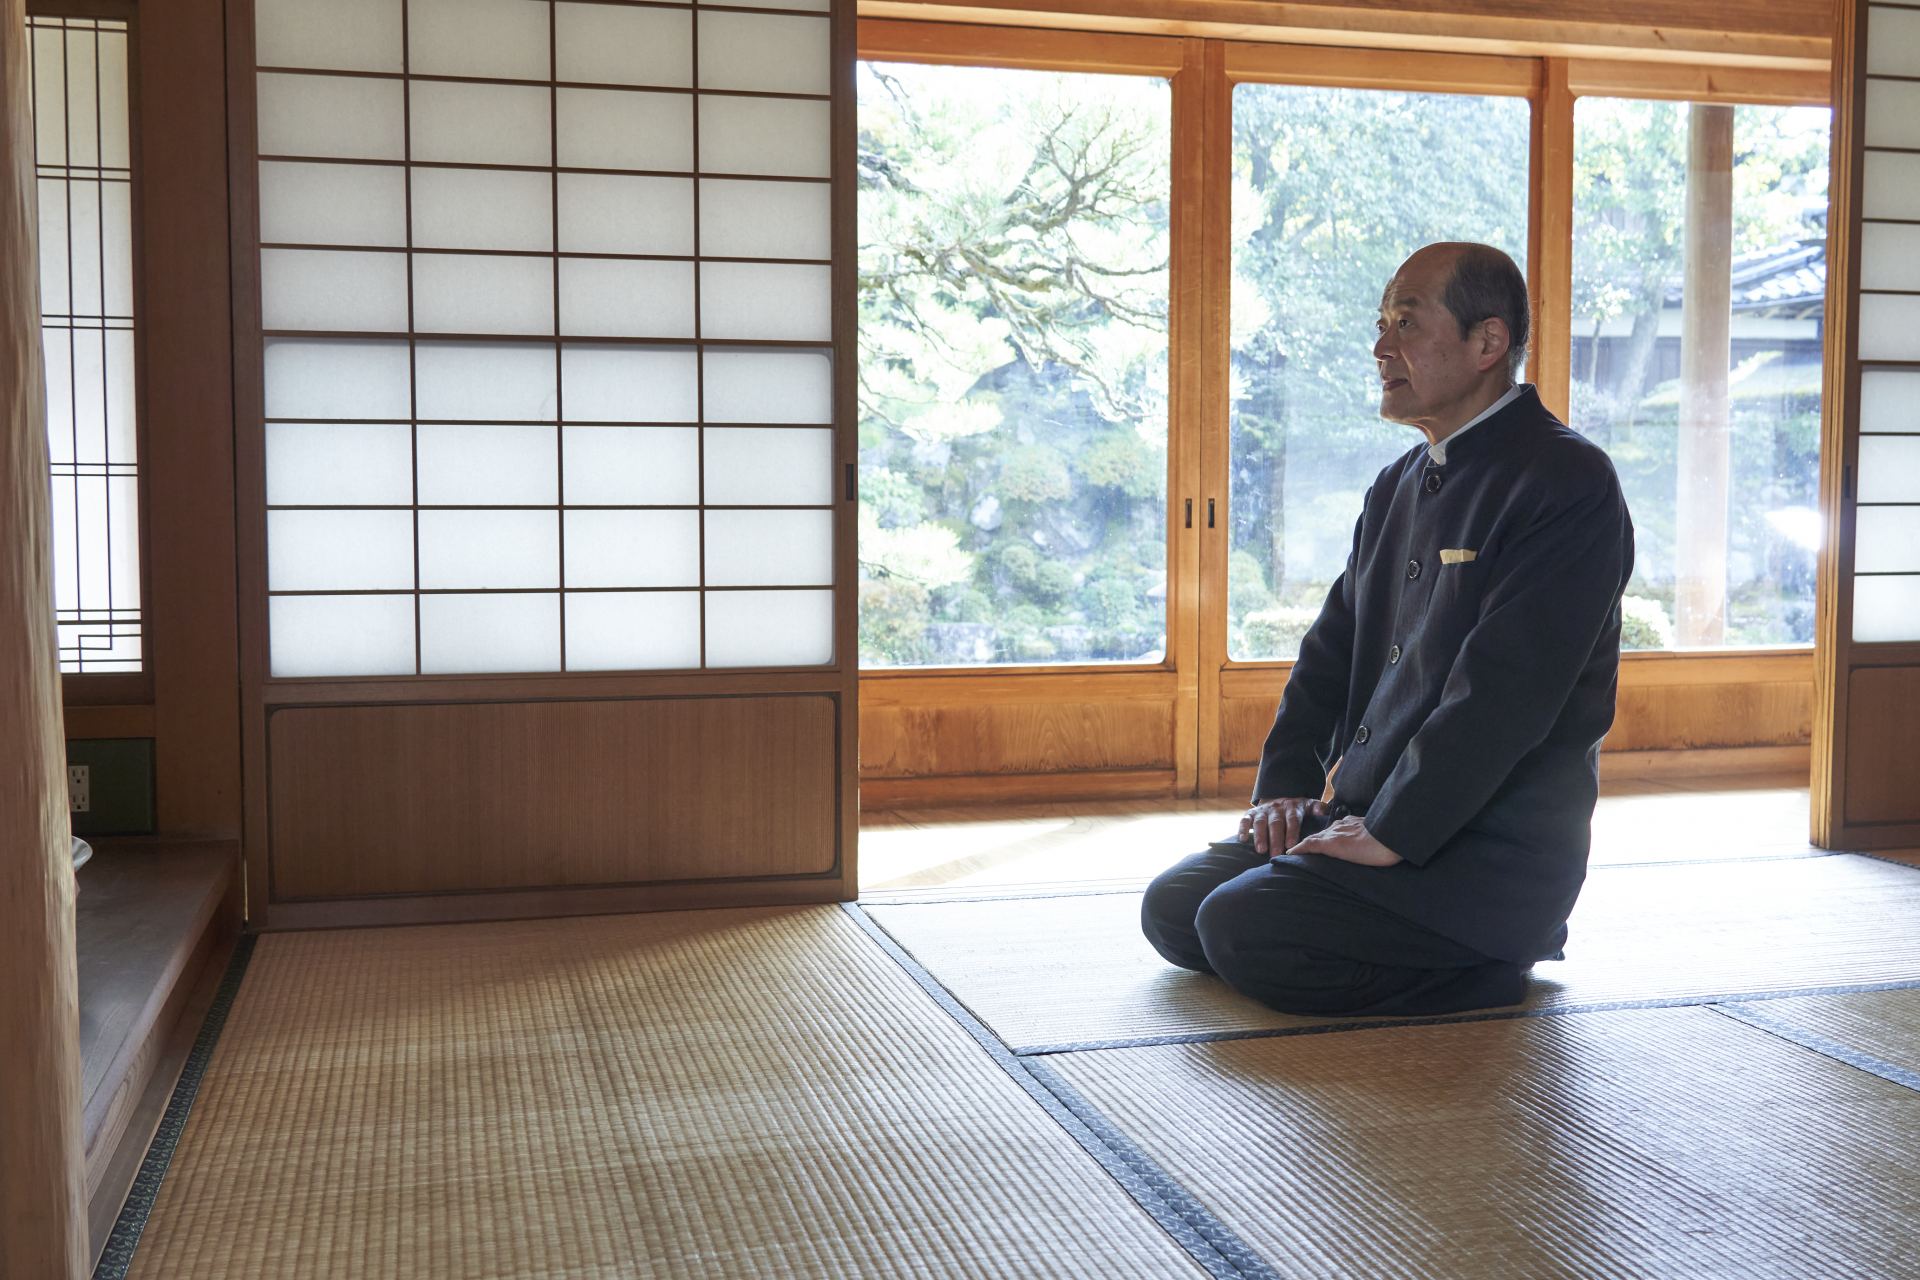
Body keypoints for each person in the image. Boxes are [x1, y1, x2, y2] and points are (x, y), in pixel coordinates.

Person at [1141, 242, 1634, 1018]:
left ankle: (1491, 968)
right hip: (1363, 820)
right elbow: (1329, 653)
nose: (1380, 347)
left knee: (1242, 927)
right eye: (1380, 323)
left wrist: (1395, 832)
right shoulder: (1398, 483)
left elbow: (1505, 692)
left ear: (1488, 342)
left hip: (1482, 852)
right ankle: (1374, 915)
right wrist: (1289, 793)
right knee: (1174, 909)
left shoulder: (1566, 481)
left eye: (1406, 321)